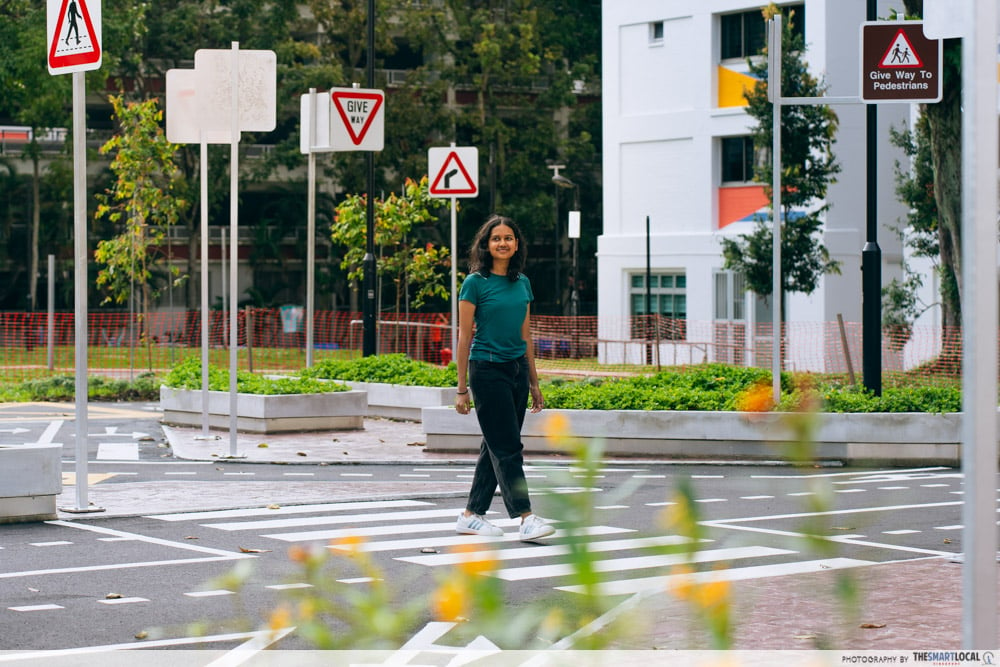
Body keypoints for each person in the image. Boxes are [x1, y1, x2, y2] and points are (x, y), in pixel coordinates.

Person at [454, 214, 555, 543]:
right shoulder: (475, 283)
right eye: (496, 238)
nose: (502, 243)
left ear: (516, 244)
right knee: (508, 446)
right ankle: (525, 517)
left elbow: (525, 334)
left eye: (508, 238)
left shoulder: (522, 282)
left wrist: (534, 382)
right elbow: (464, 337)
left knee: (495, 445)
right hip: (486, 369)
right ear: (486, 244)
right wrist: (461, 388)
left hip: (516, 370)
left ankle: (471, 515)